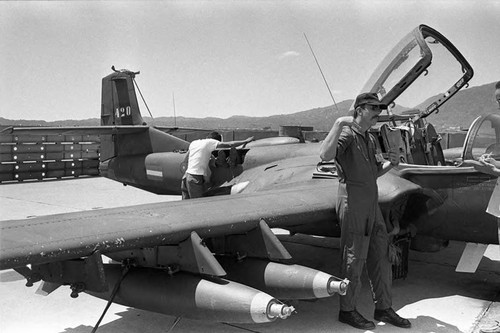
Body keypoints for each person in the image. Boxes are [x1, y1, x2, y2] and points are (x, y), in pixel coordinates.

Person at [320, 92, 411, 330]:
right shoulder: (347, 134)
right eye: (373, 109)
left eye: (379, 109)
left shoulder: (369, 138)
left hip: (371, 202)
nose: (377, 114)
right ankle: (347, 310)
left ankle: (384, 307)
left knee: (381, 255)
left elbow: (373, 171)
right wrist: (339, 123)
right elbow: (325, 155)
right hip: (353, 200)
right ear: (359, 110)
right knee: (353, 257)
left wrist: (391, 163)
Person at [181, 131, 253, 199]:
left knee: (185, 204)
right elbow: (230, 144)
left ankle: (219, 162)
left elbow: (185, 160)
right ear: (216, 141)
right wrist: (245, 141)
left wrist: (211, 159)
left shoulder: (194, 142)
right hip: (195, 178)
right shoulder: (211, 142)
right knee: (198, 203)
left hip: (186, 177)